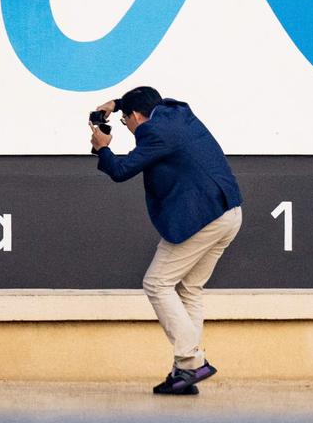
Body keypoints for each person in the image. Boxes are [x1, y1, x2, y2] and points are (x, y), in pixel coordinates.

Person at [89, 86, 243, 396]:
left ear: (136, 117)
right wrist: (117, 104)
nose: (128, 128)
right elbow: (147, 101)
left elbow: (120, 170)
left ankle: (192, 360)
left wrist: (102, 148)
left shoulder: (154, 132)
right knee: (189, 288)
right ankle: (183, 374)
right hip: (230, 213)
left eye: (125, 121)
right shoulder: (177, 111)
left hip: (203, 217)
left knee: (156, 283)